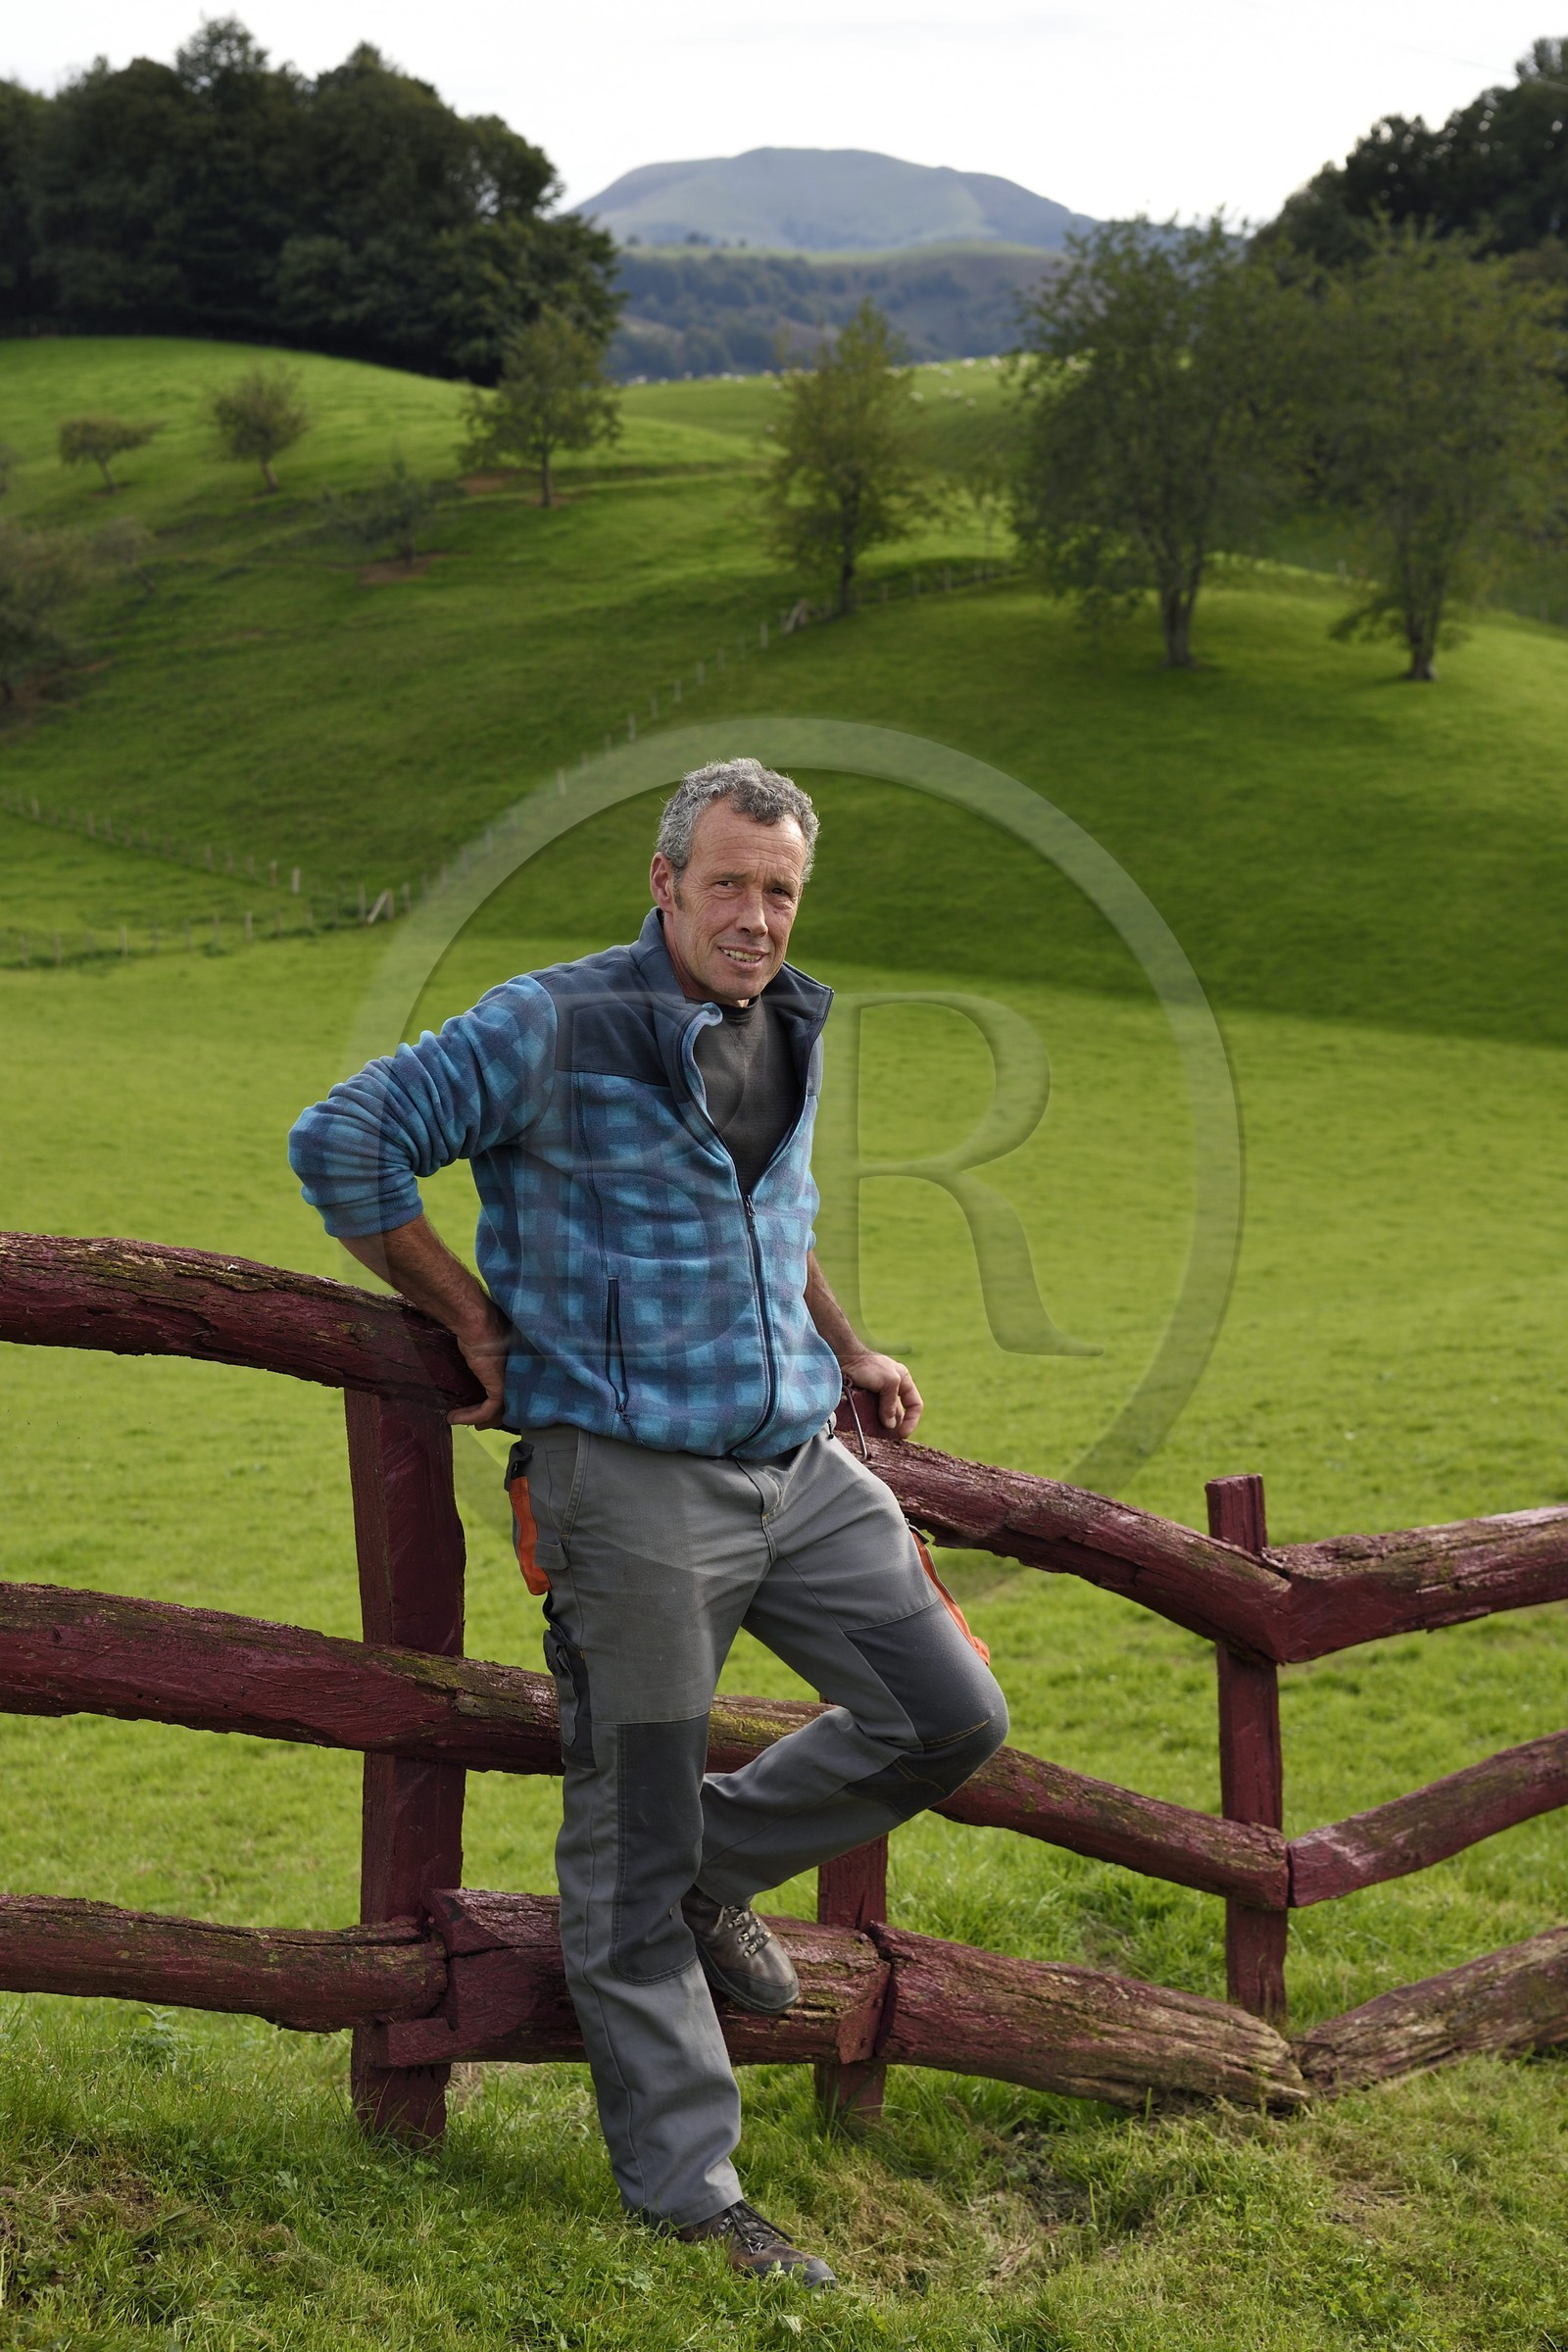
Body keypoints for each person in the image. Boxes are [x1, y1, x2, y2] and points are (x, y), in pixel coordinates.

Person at [288, 758, 1008, 2290]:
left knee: (949, 1712)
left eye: (782, 891)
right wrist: (470, 1323)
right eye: (732, 883)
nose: (757, 918)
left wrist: (852, 1343)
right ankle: (690, 2190)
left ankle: (711, 1867)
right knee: (626, 1831)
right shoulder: (551, 1023)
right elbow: (341, 1144)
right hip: (627, 1482)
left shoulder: (788, 1020)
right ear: (667, 879)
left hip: (797, 1467)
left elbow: (771, 1213)